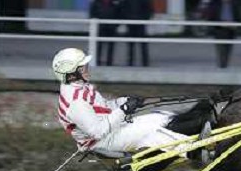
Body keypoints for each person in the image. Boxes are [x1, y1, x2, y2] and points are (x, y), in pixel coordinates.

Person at [51, 47, 190, 154]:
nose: (87, 69)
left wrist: (124, 101)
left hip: (109, 133)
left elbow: (104, 107)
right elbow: (98, 131)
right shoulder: (76, 102)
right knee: (151, 129)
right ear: (70, 75)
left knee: (160, 117)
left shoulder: (80, 87)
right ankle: (192, 151)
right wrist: (124, 110)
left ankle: (191, 145)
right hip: (102, 142)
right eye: (82, 68)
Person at [207, 0, 241, 68]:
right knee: (221, 48)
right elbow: (210, 17)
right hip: (219, 30)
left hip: (231, 30)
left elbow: (239, 17)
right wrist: (221, 23)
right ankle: (222, 66)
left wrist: (236, 24)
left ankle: (224, 65)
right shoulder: (215, 5)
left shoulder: (235, 5)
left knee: (228, 49)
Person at [89, 0, 121, 66]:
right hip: (100, 26)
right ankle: (97, 61)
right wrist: (94, 23)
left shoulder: (116, 0)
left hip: (112, 26)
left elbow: (121, 12)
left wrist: (116, 24)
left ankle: (109, 62)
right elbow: (92, 12)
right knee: (98, 45)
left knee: (111, 45)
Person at [122, 0, 153, 67]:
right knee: (130, 45)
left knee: (143, 44)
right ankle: (130, 63)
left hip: (141, 23)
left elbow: (149, 8)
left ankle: (145, 63)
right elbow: (124, 8)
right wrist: (127, 19)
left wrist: (145, 19)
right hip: (130, 23)